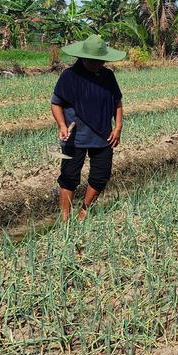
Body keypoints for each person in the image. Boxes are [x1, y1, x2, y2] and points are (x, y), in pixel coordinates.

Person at [50, 34, 125, 221]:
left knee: (101, 175)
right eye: (91, 61)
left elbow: (117, 102)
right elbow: (55, 103)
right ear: (82, 57)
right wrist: (61, 125)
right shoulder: (69, 76)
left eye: (99, 61)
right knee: (69, 176)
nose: (96, 64)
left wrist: (118, 127)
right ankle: (65, 219)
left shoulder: (108, 76)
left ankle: (84, 212)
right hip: (75, 136)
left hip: (103, 135)